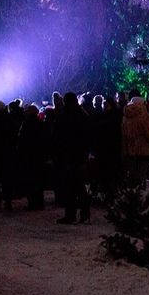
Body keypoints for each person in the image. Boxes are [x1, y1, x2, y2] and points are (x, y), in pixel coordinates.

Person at [52, 93, 91, 224]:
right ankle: (84, 213)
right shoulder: (83, 115)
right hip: (79, 154)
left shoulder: (65, 115)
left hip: (69, 154)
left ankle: (71, 214)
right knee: (79, 185)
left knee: (71, 186)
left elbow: (58, 135)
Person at [122, 95, 149, 187]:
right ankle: (139, 196)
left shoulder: (126, 116)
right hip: (143, 149)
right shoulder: (143, 115)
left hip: (130, 149)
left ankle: (130, 195)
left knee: (132, 174)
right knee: (141, 175)